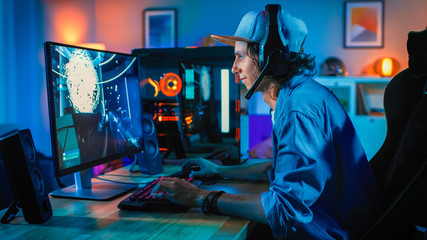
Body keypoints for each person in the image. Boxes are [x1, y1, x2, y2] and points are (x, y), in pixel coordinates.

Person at [152, 4, 379, 239]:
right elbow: (280, 170)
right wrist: (218, 170)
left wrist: (200, 197)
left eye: (240, 56)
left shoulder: (298, 109)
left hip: (332, 232)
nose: (234, 68)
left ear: (271, 57)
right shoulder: (297, 96)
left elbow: (284, 209)